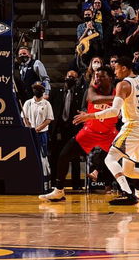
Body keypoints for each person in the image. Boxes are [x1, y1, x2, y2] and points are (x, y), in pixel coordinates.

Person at [73, 54, 139, 205]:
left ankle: (128, 194)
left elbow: (113, 111)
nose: (115, 72)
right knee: (129, 170)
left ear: (124, 68)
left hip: (132, 126)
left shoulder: (123, 85)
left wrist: (89, 116)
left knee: (109, 159)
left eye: (116, 69)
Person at [40, 68, 117, 202]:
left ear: (110, 78)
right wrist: (118, 99)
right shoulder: (92, 90)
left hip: (109, 133)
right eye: (96, 76)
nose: (97, 79)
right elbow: (93, 100)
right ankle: (58, 190)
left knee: (128, 160)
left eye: (101, 76)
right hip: (90, 132)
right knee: (64, 156)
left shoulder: (118, 91)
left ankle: (138, 190)